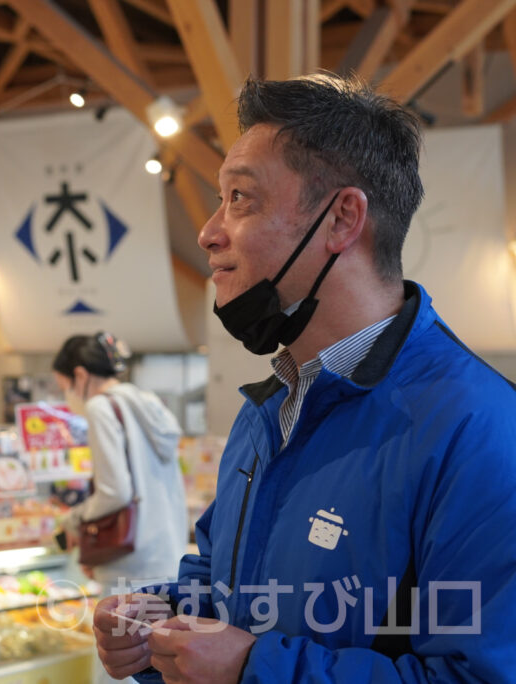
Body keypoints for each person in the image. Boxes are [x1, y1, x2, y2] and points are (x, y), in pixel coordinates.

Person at [93, 73, 516, 683]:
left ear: (342, 219)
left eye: (240, 198)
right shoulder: (268, 410)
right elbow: (230, 587)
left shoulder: (477, 430)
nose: (209, 233)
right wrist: (162, 620)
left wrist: (251, 669)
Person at [53, 333, 188, 683]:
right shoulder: (147, 404)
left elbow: (114, 492)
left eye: (64, 386)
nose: (67, 397)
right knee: (152, 665)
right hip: (165, 558)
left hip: (128, 560)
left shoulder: (101, 407)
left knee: (118, 669)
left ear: (80, 375)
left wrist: (72, 519)